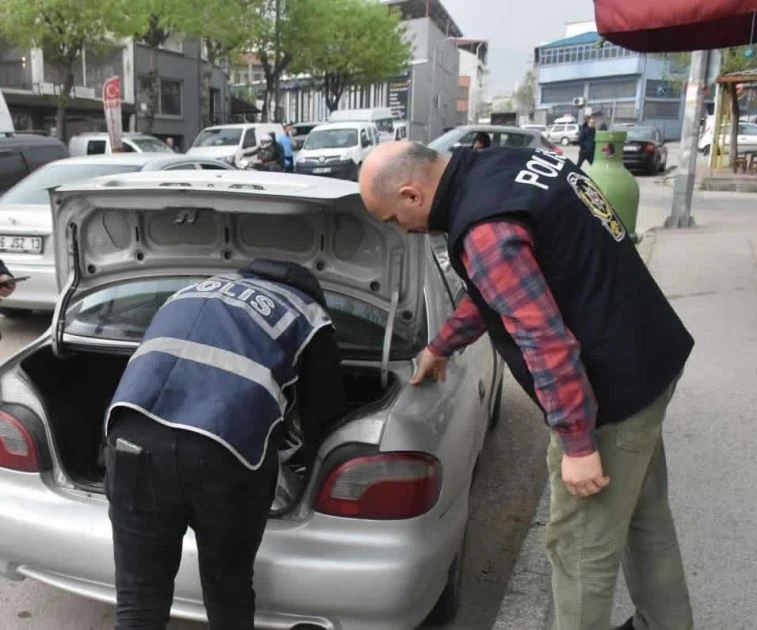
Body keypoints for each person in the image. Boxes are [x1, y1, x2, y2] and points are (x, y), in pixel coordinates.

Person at [358, 141, 695, 630]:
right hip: (648, 355)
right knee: (646, 517)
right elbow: (509, 285)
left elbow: (545, 340)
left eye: (392, 219)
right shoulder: (505, 164)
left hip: (610, 395)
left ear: (411, 195)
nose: (402, 231)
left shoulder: (485, 229)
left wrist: (578, 441)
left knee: (580, 551)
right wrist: (443, 344)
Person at [104, 259, 347, 630]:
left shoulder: (189, 291)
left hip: (131, 438)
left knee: (139, 599)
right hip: (225, 450)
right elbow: (325, 414)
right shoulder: (308, 313)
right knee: (227, 589)